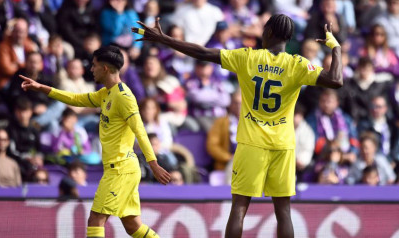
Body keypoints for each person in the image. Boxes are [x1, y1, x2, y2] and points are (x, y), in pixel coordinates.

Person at [133, 14, 343, 237]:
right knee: (283, 211)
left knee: (240, 207)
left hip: (251, 144)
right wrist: (336, 47)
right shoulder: (298, 64)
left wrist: (164, 39)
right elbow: (336, 80)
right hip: (282, 146)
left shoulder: (247, 58)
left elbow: (203, 53)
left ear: (269, 33)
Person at [20, 44, 170, 238]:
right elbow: (75, 98)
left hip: (121, 169)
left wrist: (153, 164)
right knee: (133, 226)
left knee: (95, 219)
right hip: (119, 169)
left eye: (94, 65)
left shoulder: (125, 97)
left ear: (105, 68)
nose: (91, 69)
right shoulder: (105, 93)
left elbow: (140, 131)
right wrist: (42, 88)